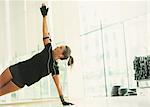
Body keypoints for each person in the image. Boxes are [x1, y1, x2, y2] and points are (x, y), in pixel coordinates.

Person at [0, 3, 74, 106]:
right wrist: (44, 16)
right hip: (16, 69)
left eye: (60, 48)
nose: (57, 47)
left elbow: (58, 85)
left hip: (21, 82)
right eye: (59, 46)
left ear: (61, 56)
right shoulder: (48, 49)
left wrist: (62, 100)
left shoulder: (54, 68)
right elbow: (45, 33)